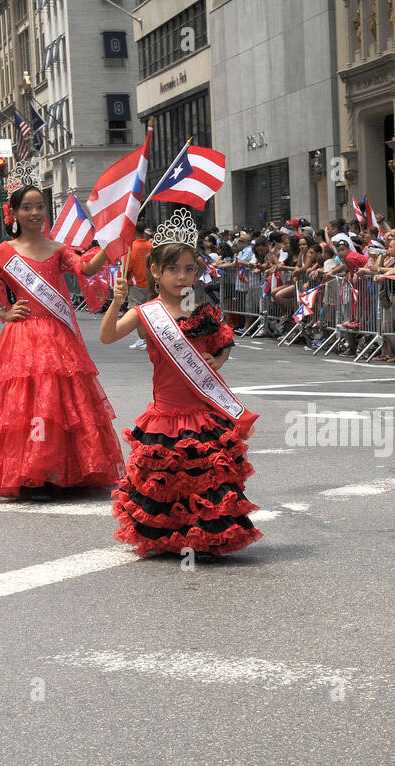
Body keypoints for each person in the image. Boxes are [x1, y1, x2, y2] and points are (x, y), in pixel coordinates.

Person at [100, 207, 261, 561]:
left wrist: (216, 362)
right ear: (155, 271)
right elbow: (108, 336)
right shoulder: (146, 313)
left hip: (203, 410)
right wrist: (116, 302)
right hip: (166, 412)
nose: (182, 277)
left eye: (189, 269)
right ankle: (170, 537)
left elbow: (224, 345)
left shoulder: (201, 311)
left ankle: (204, 538)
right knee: (169, 478)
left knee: (204, 477)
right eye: (173, 269)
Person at [0, 184, 123, 502]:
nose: (35, 213)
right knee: (32, 405)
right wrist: (2, 312)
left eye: (40, 207)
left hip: (59, 336)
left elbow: (86, 268)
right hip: (24, 338)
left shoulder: (58, 249)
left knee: (62, 404)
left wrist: (109, 240)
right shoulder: (5, 252)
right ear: (15, 214)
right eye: (27, 208)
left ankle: (66, 469)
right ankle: (35, 471)